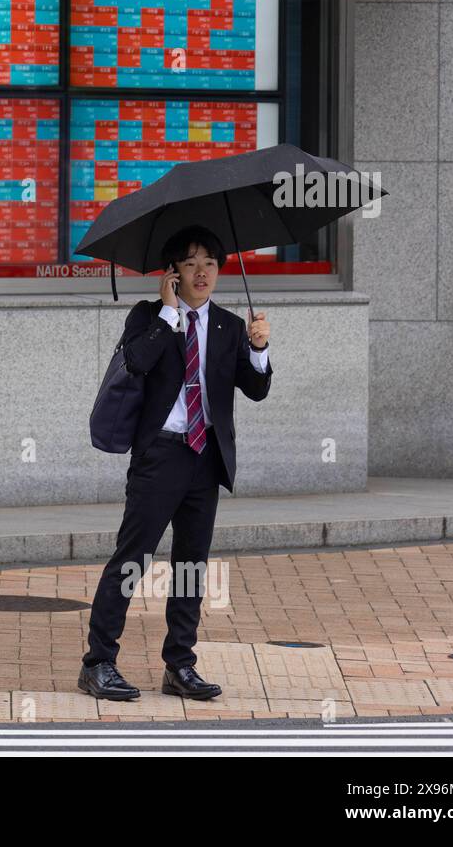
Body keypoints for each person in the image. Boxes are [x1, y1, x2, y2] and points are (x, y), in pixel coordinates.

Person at [78, 225, 273, 702]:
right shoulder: (148, 317)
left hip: (205, 458)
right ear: (172, 273)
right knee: (132, 558)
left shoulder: (228, 325)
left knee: (191, 565)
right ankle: (98, 663)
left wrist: (260, 348)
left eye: (209, 262)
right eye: (190, 263)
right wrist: (166, 315)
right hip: (160, 454)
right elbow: (139, 363)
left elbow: (256, 388)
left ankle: (180, 665)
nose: (202, 272)